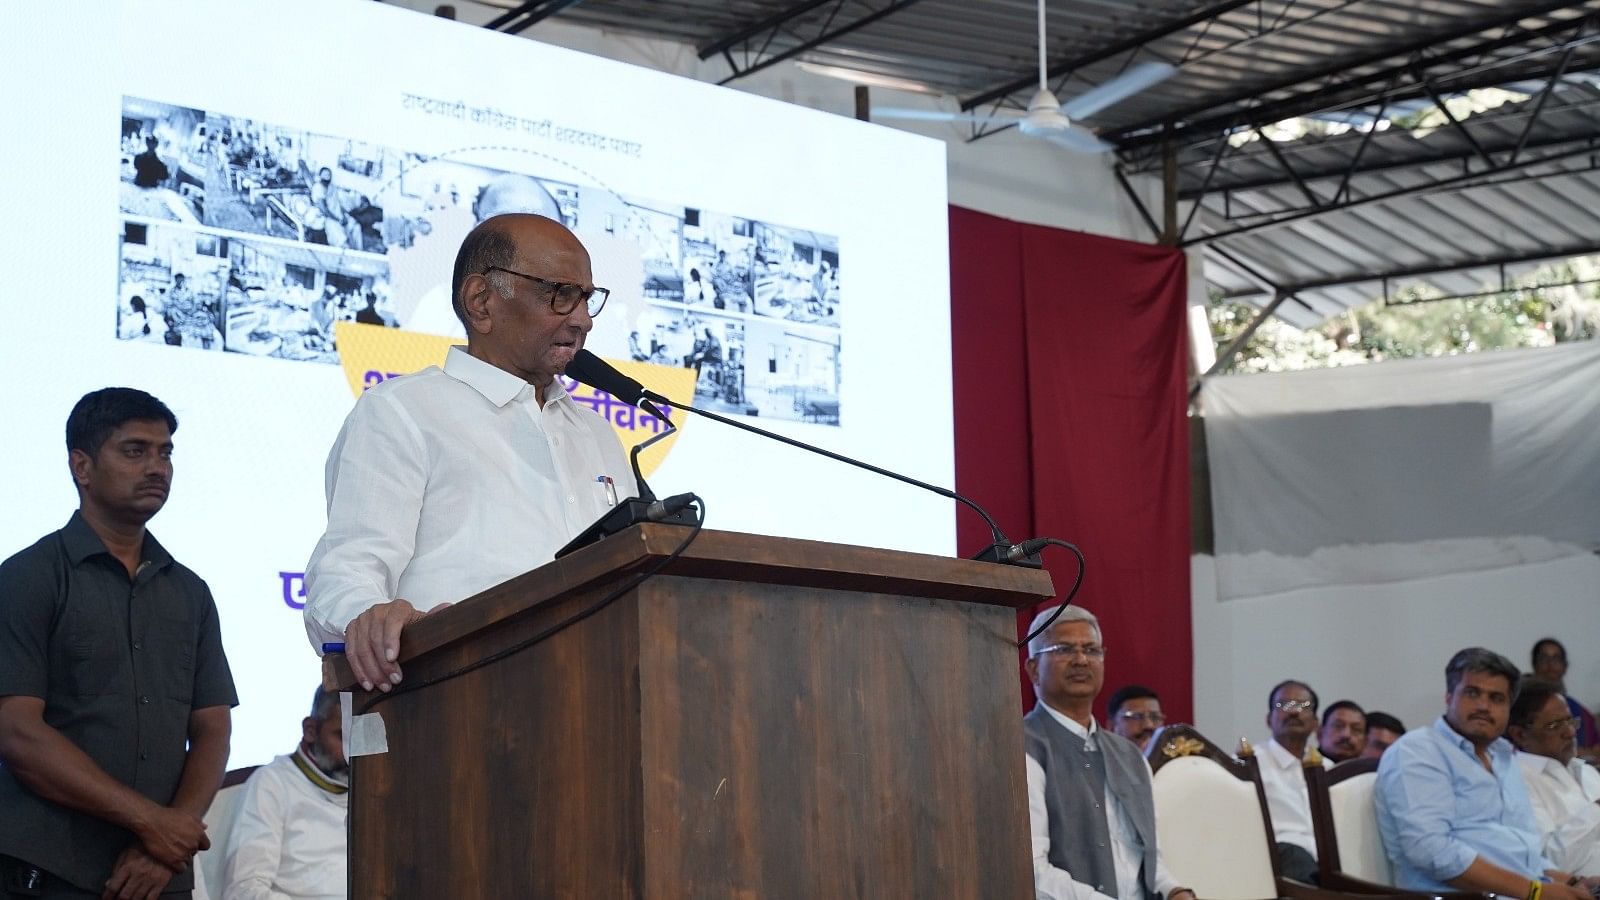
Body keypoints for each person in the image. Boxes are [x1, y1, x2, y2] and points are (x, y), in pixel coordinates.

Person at [304, 214, 636, 693]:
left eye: (586, 297)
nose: (582, 318)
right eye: (560, 293)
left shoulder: (598, 434)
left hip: (596, 703)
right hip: (454, 713)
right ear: (481, 302)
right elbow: (346, 573)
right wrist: (369, 619)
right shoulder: (402, 413)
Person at [0, 388, 237, 898]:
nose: (157, 467)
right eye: (135, 451)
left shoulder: (191, 592)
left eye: (165, 451)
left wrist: (164, 839)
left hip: (159, 878)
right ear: (82, 467)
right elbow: (17, 732)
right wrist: (153, 824)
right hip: (51, 872)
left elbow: (213, 729)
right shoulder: (27, 578)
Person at [1375, 647, 1594, 898]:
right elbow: (1431, 852)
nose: (1483, 706)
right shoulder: (1418, 751)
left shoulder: (1502, 757)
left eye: (1496, 698)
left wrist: (1572, 881)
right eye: (1472, 693)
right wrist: (1535, 892)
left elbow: (1522, 853)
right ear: (1449, 696)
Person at [1023, 605, 1195, 900]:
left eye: (1091, 650)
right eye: (1064, 648)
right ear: (1034, 669)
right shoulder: (1022, 747)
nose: (1081, 659)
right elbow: (1032, 872)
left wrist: (1174, 890)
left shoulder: (1129, 755)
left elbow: (1148, 859)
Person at [220, 688, 348, 900]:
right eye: (343, 737)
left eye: (361, 739)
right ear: (311, 730)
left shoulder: (374, 789)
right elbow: (243, 891)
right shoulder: (272, 783)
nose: (351, 754)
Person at [1510, 679, 1600, 877]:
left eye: (1570, 721)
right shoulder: (1518, 781)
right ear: (1520, 734)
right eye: (1554, 725)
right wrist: (1596, 809)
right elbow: (1550, 863)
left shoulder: (1586, 771)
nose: (1569, 732)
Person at [1257, 679, 1329, 883]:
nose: (1294, 712)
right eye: (1283, 705)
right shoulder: (1247, 766)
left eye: (1303, 706)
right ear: (1269, 719)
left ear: (1315, 723)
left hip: (1329, 861)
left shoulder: (1329, 769)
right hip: (1279, 859)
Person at [1532, 639, 1599, 755]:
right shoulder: (1522, 707)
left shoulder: (1581, 713)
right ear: (1535, 665)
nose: (1550, 664)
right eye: (1544, 658)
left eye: (1556, 658)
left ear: (1565, 667)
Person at [1106, 685, 1165, 752]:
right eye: (1136, 716)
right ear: (1112, 727)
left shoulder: (1176, 762)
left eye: (1155, 717)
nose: (1148, 725)